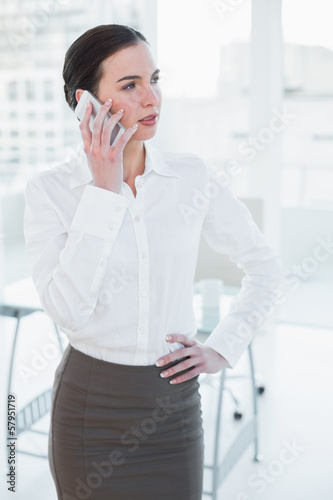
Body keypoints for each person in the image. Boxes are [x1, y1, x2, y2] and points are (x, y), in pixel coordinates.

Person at [24, 24, 281, 500]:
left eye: (154, 79)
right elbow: (67, 312)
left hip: (173, 410)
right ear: (86, 103)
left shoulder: (189, 177)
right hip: (90, 410)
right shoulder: (51, 192)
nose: (152, 98)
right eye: (130, 85)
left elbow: (264, 266)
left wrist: (221, 347)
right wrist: (104, 192)